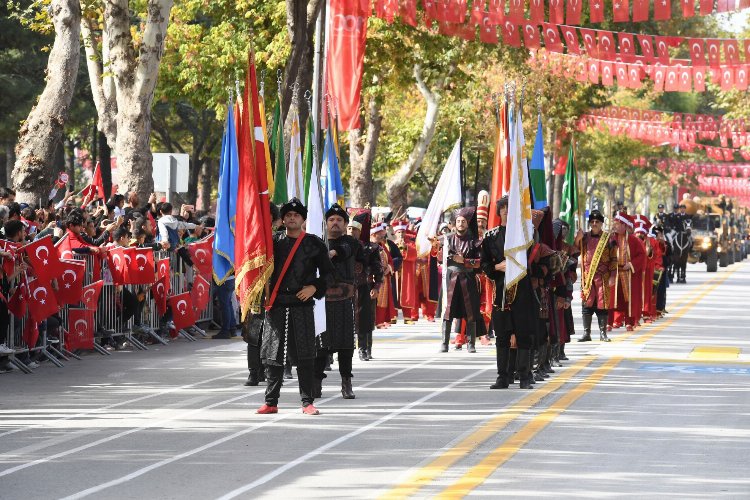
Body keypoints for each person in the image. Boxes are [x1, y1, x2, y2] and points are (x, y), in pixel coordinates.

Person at [257, 198, 333, 416]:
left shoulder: (314, 243)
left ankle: (307, 402)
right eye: (288, 215)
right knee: (273, 356)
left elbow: (329, 274)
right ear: (283, 219)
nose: (292, 218)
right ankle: (271, 401)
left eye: (296, 215)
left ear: (303, 219)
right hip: (276, 304)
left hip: (302, 305)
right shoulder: (273, 242)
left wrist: (313, 288)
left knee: (306, 355)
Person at [481, 197, 537, 389]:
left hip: (522, 290)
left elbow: (533, 258)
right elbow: (484, 264)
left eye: (510, 207)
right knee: (502, 336)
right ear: (499, 211)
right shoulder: (490, 236)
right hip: (501, 290)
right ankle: (502, 377)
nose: (506, 211)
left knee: (523, 335)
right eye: (503, 208)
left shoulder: (525, 234)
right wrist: (497, 266)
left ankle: (524, 376)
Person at [315, 204, 361, 400]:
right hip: (321, 301)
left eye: (339, 220)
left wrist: (330, 253)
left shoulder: (351, 242)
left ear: (345, 224)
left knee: (345, 344)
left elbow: (345, 250)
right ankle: (315, 382)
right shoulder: (317, 242)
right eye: (331, 219)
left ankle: (346, 382)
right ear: (326, 223)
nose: (335, 223)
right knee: (319, 344)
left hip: (343, 301)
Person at [438, 207, 482, 353]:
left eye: (463, 221)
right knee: (448, 310)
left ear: (467, 223)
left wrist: (464, 261)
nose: (461, 224)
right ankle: (444, 343)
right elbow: (441, 259)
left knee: (470, 311)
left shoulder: (475, 242)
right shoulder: (448, 239)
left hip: (468, 279)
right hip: (451, 279)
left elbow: (479, 263)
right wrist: (440, 251)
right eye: (458, 221)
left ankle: (471, 343)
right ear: (455, 223)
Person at [574, 210, 618, 342]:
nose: (594, 224)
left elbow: (614, 259)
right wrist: (577, 239)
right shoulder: (585, 237)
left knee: (602, 304)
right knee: (586, 304)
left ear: (601, 223)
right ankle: (586, 333)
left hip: (603, 276)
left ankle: (603, 333)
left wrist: (612, 276)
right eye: (592, 222)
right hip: (587, 277)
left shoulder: (609, 238)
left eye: (597, 222)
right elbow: (575, 250)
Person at [347, 211, 383, 361]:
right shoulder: (341, 245)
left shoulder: (371, 248)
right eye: (349, 228)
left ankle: (364, 348)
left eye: (354, 229)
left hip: (364, 287)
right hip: (345, 288)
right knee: (344, 319)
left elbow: (378, 269)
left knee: (365, 319)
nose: (351, 232)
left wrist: (376, 287)